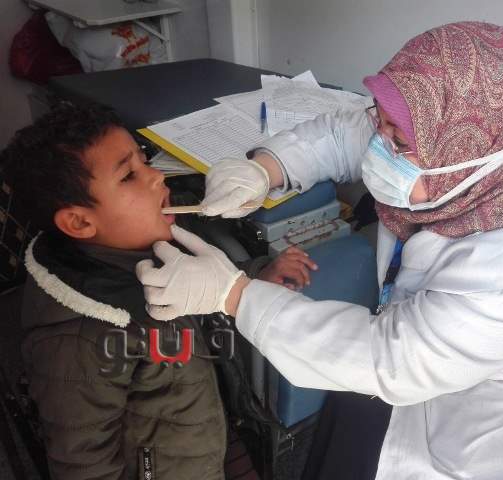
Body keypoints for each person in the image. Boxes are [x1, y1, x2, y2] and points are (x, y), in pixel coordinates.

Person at [137, 21, 503, 479]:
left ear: (465, 154)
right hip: (431, 349)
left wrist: (234, 296)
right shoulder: (495, 129)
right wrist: (265, 167)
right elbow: (348, 131)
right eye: (384, 122)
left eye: (397, 141)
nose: (380, 144)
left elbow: (394, 360)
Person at [0, 102, 316, 480]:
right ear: (80, 223)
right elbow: (83, 464)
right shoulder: (78, 342)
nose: (155, 177)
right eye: (128, 175)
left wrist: (254, 275)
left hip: (208, 428)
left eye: (144, 159)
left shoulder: (147, 242)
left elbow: (202, 286)